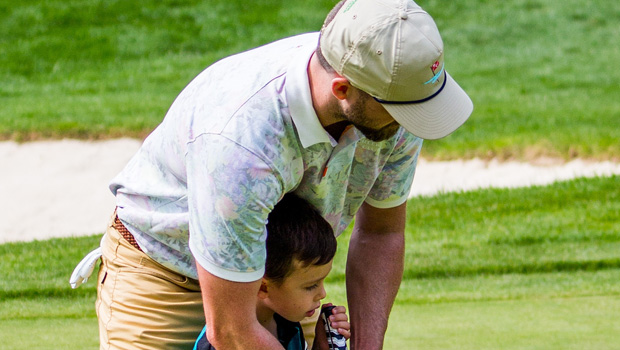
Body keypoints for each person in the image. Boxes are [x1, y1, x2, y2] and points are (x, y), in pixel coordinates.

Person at [93, 0, 474, 349]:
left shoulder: (396, 97)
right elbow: (230, 330)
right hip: (168, 273)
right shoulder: (242, 142)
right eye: (401, 110)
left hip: (282, 278)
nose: (414, 123)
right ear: (342, 89)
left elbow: (381, 233)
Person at [193, 193, 349, 350]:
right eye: (310, 286)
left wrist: (321, 346)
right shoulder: (227, 343)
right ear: (263, 287)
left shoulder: (286, 322)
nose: (322, 294)